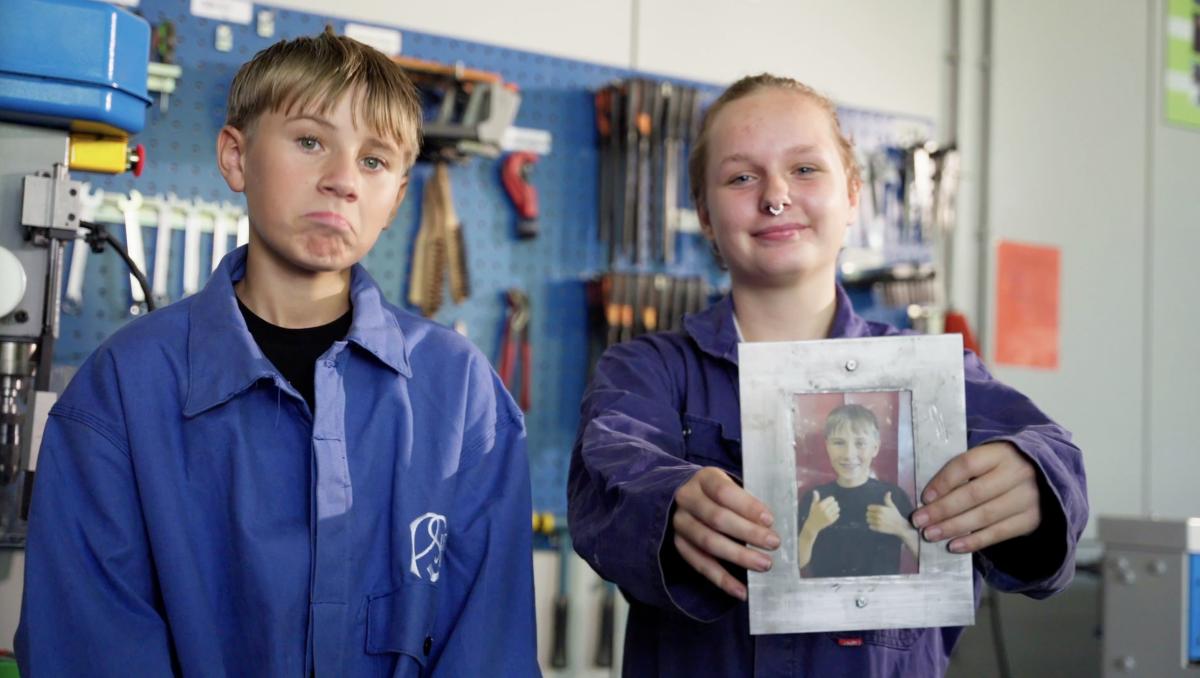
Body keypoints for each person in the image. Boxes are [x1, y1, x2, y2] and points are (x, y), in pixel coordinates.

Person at [16, 30, 538, 677]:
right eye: (310, 141)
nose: (342, 181)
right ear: (236, 157)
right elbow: (90, 649)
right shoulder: (122, 390)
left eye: (374, 160)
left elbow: (489, 651)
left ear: (397, 199)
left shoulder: (463, 393)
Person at [567, 73, 1088, 677]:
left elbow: (1055, 455)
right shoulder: (645, 371)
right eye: (741, 178)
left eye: (805, 169)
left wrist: (1034, 480)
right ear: (705, 216)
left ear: (853, 195)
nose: (775, 196)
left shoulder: (936, 378)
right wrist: (668, 502)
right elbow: (609, 474)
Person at [797, 403, 918, 578]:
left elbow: (927, 560)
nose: (849, 454)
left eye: (860, 443)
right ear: (827, 446)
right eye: (839, 443)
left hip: (883, 594)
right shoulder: (814, 499)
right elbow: (796, 564)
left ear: (875, 448)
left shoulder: (893, 497)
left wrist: (902, 529)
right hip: (826, 594)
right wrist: (811, 528)